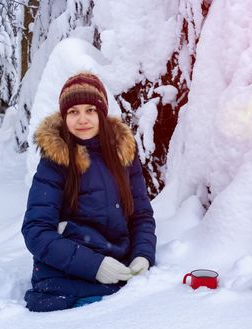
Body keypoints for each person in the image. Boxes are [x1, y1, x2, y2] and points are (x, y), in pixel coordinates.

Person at [21, 72, 157, 312]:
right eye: (73, 112)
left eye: (90, 110)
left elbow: (141, 216)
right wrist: (95, 265)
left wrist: (143, 254)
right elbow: (36, 231)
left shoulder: (123, 155)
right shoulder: (55, 161)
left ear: (101, 114)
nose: (82, 119)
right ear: (64, 117)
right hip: (64, 280)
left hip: (120, 271)